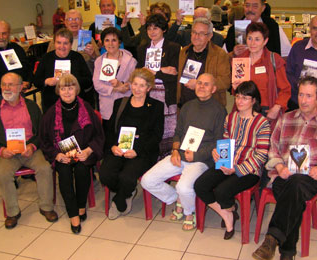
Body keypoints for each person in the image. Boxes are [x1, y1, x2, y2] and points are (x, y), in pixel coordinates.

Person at [252, 76, 317, 260]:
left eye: (309, 96)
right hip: (283, 176)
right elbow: (273, 149)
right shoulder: (285, 119)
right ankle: (286, 252)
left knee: (296, 186)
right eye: (301, 94)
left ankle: (272, 239)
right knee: (293, 194)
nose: (303, 100)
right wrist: (278, 165)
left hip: (309, 179)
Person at [141, 73, 227, 231]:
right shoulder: (187, 107)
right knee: (147, 180)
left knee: (184, 187)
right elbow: (178, 132)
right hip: (180, 155)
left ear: (214, 89)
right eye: (199, 83)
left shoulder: (219, 111)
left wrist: (197, 155)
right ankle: (177, 198)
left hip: (202, 160)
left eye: (206, 84)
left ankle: (189, 212)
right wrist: (174, 150)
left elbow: (219, 142)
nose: (201, 86)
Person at [194, 81, 270, 240]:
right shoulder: (231, 117)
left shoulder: (262, 123)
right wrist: (217, 153)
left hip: (249, 169)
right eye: (238, 97)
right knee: (200, 185)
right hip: (227, 163)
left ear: (254, 101)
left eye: (245, 98)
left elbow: (261, 155)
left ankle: (228, 210)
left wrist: (237, 169)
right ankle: (227, 213)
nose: (240, 101)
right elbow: (225, 141)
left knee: (222, 191)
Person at [0, 72, 58, 229]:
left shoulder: (31, 107)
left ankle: (46, 207)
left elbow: (42, 132)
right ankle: (12, 212)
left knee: (44, 168)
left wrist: (32, 146)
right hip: (7, 153)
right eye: (4, 84)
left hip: (30, 149)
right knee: (3, 174)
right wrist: (1, 150)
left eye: (11, 84)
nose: (7, 88)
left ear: (20, 87)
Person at [39, 74, 104, 234]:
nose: (67, 92)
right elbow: (44, 140)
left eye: (70, 87)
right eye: (63, 88)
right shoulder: (51, 113)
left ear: (76, 89)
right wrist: (56, 155)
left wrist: (89, 151)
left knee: (83, 171)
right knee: (65, 174)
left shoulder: (86, 108)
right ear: (58, 90)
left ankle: (81, 205)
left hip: (83, 152)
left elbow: (99, 135)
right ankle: (73, 213)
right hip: (62, 154)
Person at [99, 68, 164, 219]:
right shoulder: (120, 103)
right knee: (105, 175)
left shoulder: (156, 106)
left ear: (148, 88)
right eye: (135, 84)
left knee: (127, 177)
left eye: (142, 85)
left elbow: (156, 136)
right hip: (120, 148)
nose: (137, 89)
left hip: (143, 151)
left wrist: (137, 151)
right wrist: (113, 146)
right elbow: (110, 131)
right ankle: (128, 191)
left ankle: (120, 200)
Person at [137, 14, 181, 152]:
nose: (152, 31)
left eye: (156, 28)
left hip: (167, 95)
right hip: (148, 94)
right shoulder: (142, 48)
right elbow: (140, 73)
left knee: (169, 131)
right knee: (151, 128)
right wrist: (163, 70)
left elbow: (174, 76)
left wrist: (156, 72)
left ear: (164, 30)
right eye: (149, 28)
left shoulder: (173, 47)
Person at [232, 22, 291, 125]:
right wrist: (235, 88)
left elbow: (285, 89)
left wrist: (277, 108)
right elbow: (236, 92)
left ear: (265, 41)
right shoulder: (240, 60)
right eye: (250, 38)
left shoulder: (274, 60)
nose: (252, 43)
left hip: (266, 112)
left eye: (257, 39)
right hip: (244, 110)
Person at [34, 28, 92, 112]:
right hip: (51, 104)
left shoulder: (77, 57)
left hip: (75, 103)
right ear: (54, 43)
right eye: (58, 43)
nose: (62, 46)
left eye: (65, 43)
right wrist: (46, 81)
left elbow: (88, 81)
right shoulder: (46, 58)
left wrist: (74, 80)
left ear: (71, 44)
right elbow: (36, 81)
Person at [177, 18, 230, 108]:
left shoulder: (219, 54)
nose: (196, 36)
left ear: (210, 36)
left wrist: (199, 84)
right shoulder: (184, 51)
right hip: (185, 106)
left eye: (201, 33)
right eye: (194, 32)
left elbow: (225, 81)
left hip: (209, 108)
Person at [93, 27, 137, 130]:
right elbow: (97, 85)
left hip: (125, 104)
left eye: (114, 40)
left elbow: (134, 83)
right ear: (103, 43)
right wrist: (116, 89)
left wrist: (123, 85)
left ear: (119, 42)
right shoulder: (99, 61)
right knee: (108, 137)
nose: (110, 44)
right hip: (106, 106)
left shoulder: (131, 61)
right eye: (107, 40)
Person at [225, 0, 291, 58]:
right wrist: (233, 53)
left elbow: (287, 54)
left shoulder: (273, 27)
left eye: (255, 6)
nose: (250, 9)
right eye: (247, 6)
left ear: (263, 8)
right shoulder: (233, 29)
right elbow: (223, 56)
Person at [0, 20, 31, 104]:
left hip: (19, 95)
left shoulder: (17, 48)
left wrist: (28, 82)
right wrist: (4, 88)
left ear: (9, 34)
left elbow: (27, 67)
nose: (1, 37)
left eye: (4, 33)